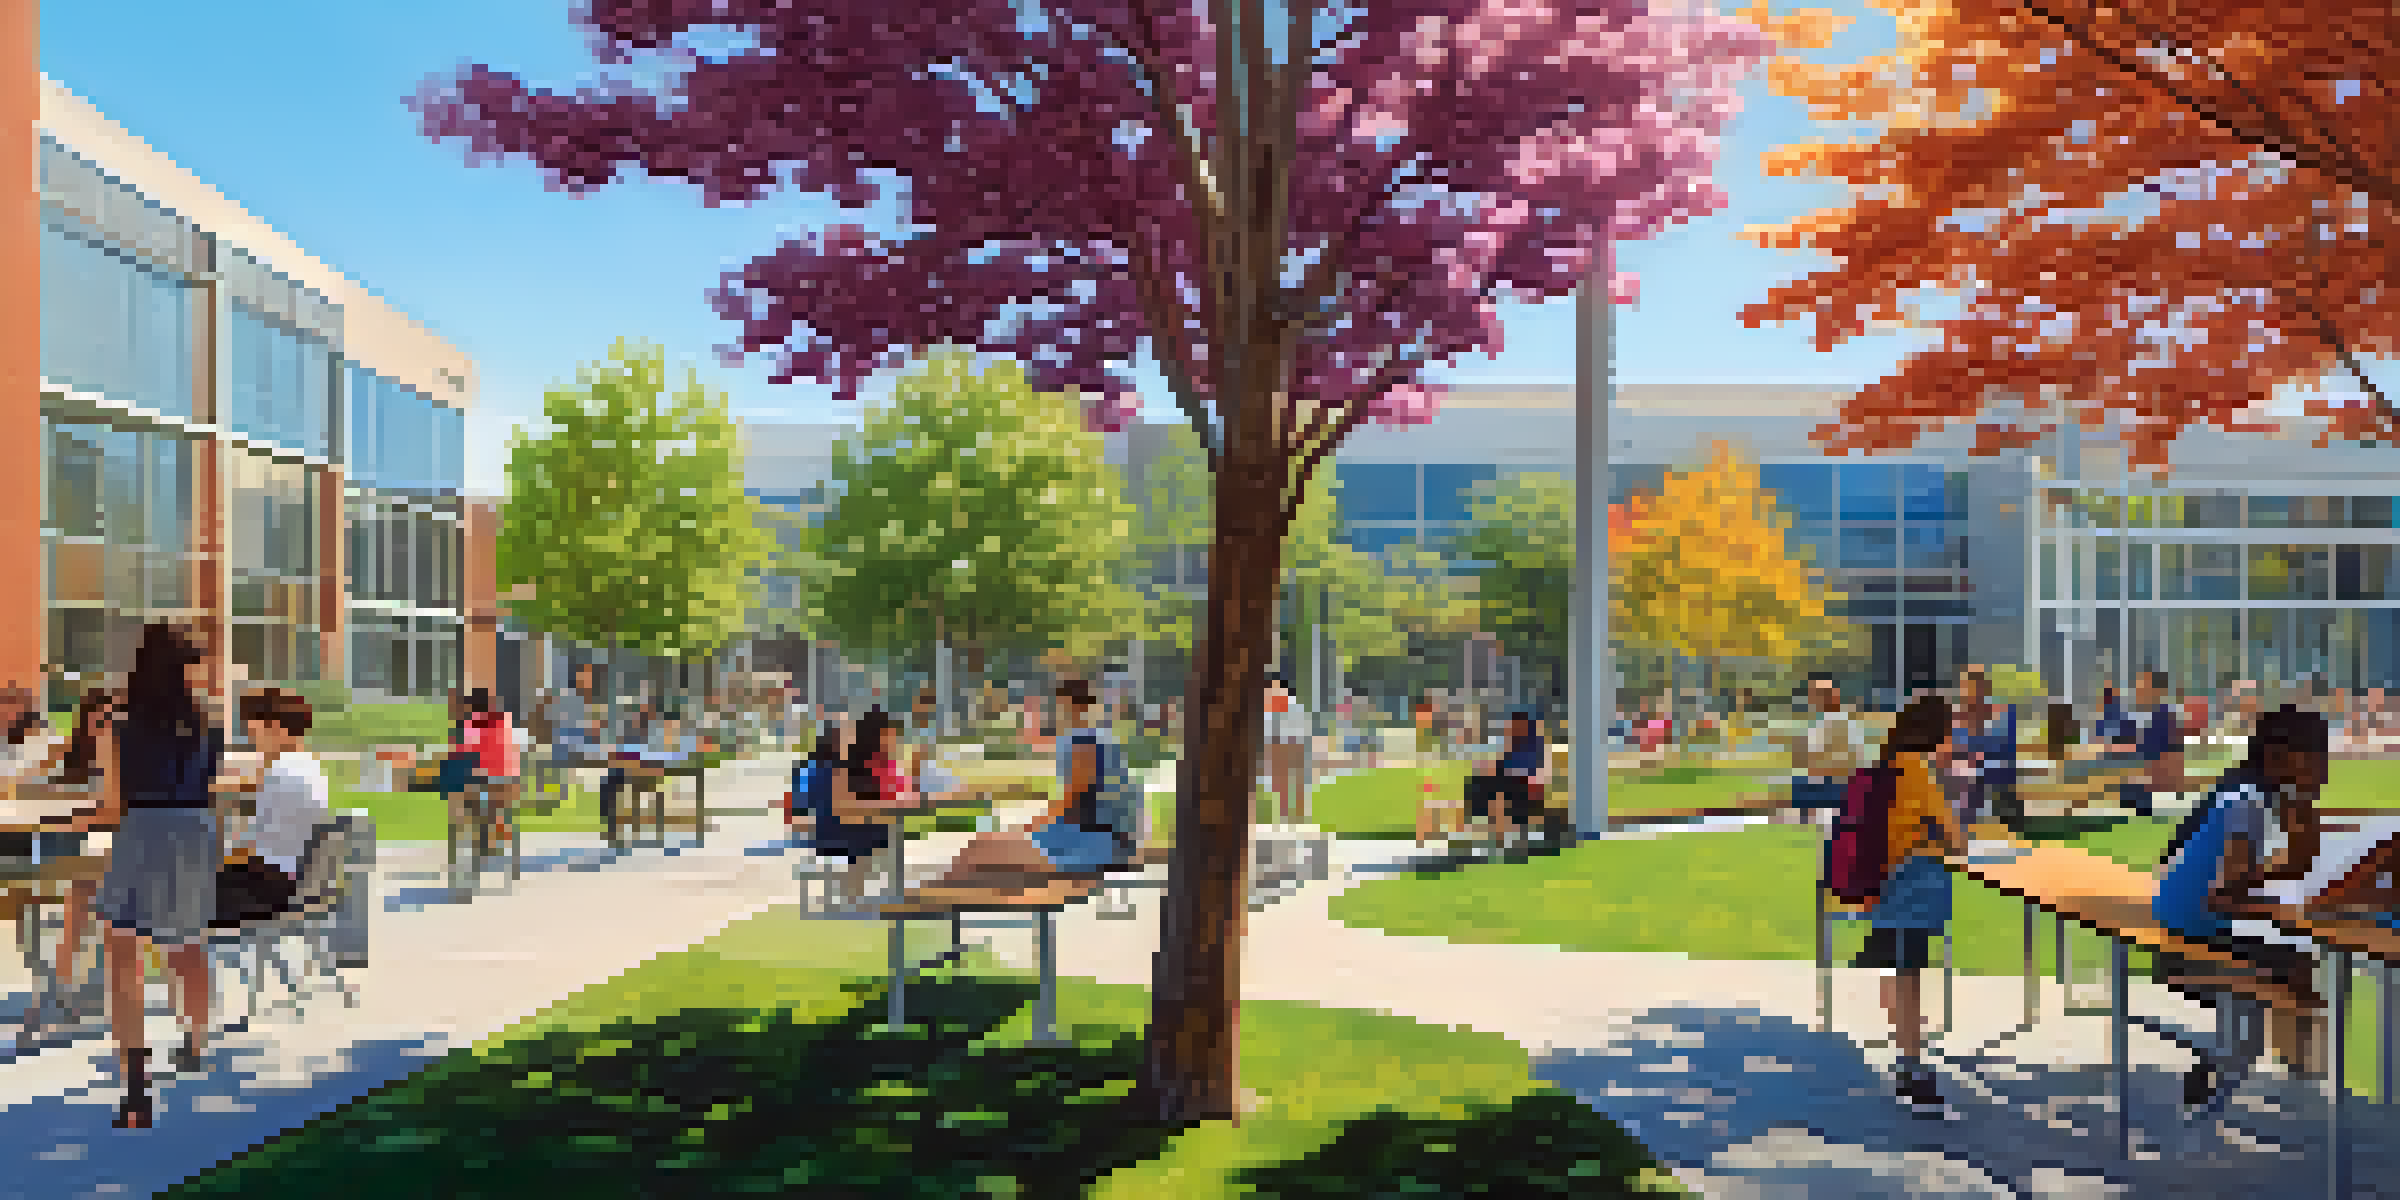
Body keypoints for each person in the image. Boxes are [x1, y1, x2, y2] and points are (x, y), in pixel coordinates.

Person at [74, 623, 226, 1128]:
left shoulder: (117, 724)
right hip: (196, 832)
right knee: (188, 946)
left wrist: (80, 817)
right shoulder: (207, 723)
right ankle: (195, 1043)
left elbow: (112, 804)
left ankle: (136, 1090)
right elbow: (209, 787)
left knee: (125, 961)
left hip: (142, 833)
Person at [2153, 704, 2332, 1108]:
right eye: (2317, 757)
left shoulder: (2239, 789)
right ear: (2280, 757)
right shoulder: (2249, 801)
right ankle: (2301, 1079)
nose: (2324, 770)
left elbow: (2235, 879)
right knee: (2302, 964)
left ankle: (2296, 1072)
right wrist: (2284, 888)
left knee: (2293, 958)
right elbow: (2226, 891)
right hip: (2194, 937)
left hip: (2180, 921)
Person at [1854, 694, 1966, 1116]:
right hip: (1911, 887)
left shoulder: (1887, 764)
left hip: (1881, 885)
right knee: (1909, 977)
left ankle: (1905, 1057)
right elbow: (1956, 840)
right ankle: (1911, 1070)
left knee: (1895, 970)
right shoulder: (1919, 771)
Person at [935, 679, 1134, 888]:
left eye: (1061, 706)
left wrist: (1033, 826)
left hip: (1093, 844)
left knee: (980, 852)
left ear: (1073, 706)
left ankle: (938, 894)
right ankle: (942, 892)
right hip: (1087, 837)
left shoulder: (1084, 742)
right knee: (981, 851)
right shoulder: (1095, 738)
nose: (1058, 712)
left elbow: (1074, 796)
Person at [211, 689, 331, 928]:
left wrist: (213, 862)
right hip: (291, 884)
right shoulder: (311, 767)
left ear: (275, 728)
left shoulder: (279, 773)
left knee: (178, 898)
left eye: (254, 735)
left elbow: (251, 851)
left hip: (266, 890)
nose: (253, 744)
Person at [1940, 667, 2018, 827]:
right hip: (1964, 782)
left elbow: (2006, 758)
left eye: (1976, 689)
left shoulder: (2003, 715)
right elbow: (1948, 756)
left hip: (1993, 783)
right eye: (1966, 691)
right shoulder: (1955, 719)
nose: (1971, 696)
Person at [1463, 710, 1547, 849]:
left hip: (1522, 785)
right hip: (1513, 781)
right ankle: (1489, 826)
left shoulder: (1532, 746)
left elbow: (1531, 772)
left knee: (1488, 786)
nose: (1511, 730)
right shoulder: (1514, 746)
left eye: (1514, 726)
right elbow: (1501, 766)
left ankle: (1506, 830)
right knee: (1479, 784)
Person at [1790, 675, 1868, 818]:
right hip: (1815, 783)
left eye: (1824, 693)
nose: (1818, 698)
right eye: (1815, 694)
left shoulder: (1844, 722)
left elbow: (1848, 763)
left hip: (1836, 785)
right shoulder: (1816, 722)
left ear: (1835, 694)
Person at [1262, 676, 1312, 825]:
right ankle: (1285, 815)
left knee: (1296, 782)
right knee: (1280, 783)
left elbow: (1303, 729)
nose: (1272, 691)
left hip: (1293, 746)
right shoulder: (1268, 708)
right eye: (1270, 689)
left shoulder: (1293, 707)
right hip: (1276, 747)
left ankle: (1298, 815)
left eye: (1276, 688)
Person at [1412, 696, 1461, 844]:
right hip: (1431, 772)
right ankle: (1425, 836)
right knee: (1429, 804)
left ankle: (1440, 835)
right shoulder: (1423, 734)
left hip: (1440, 772)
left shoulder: (1438, 733)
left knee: (1443, 804)